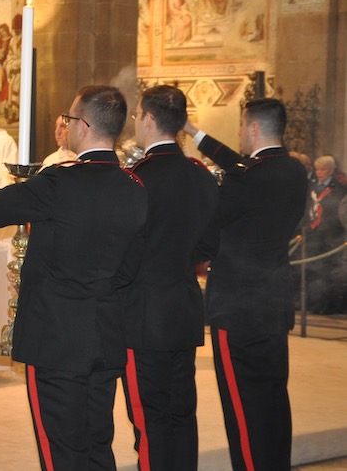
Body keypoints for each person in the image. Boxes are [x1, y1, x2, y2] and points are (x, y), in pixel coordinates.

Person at [0, 85, 147, 470]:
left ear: (83, 126)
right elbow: (129, 269)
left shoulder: (61, 182)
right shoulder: (134, 186)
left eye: (69, 117)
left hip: (56, 337)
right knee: (97, 443)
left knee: (62, 450)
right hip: (104, 334)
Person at [182, 98, 308, 471]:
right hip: (273, 304)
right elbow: (238, 164)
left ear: (252, 128)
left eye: (240, 126)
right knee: (271, 403)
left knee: (243, 410)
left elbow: (209, 221)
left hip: (238, 310)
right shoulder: (295, 171)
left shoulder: (246, 180)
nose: (237, 134)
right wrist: (193, 133)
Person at [120, 85, 218, 470]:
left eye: (136, 116)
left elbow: (123, 249)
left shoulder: (137, 178)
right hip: (184, 306)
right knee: (181, 412)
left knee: (150, 417)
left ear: (146, 118)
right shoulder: (201, 175)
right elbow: (208, 246)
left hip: (142, 313)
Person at [303, 155, 346, 313]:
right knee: (311, 270)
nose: (319, 173)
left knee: (329, 272)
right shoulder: (311, 186)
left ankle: (328, 306)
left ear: (331, 170)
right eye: (317, 169)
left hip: (331, 236)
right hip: (312, 234)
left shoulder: (339, 188)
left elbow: (339, 212)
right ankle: (313, 304)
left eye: (323, 169)